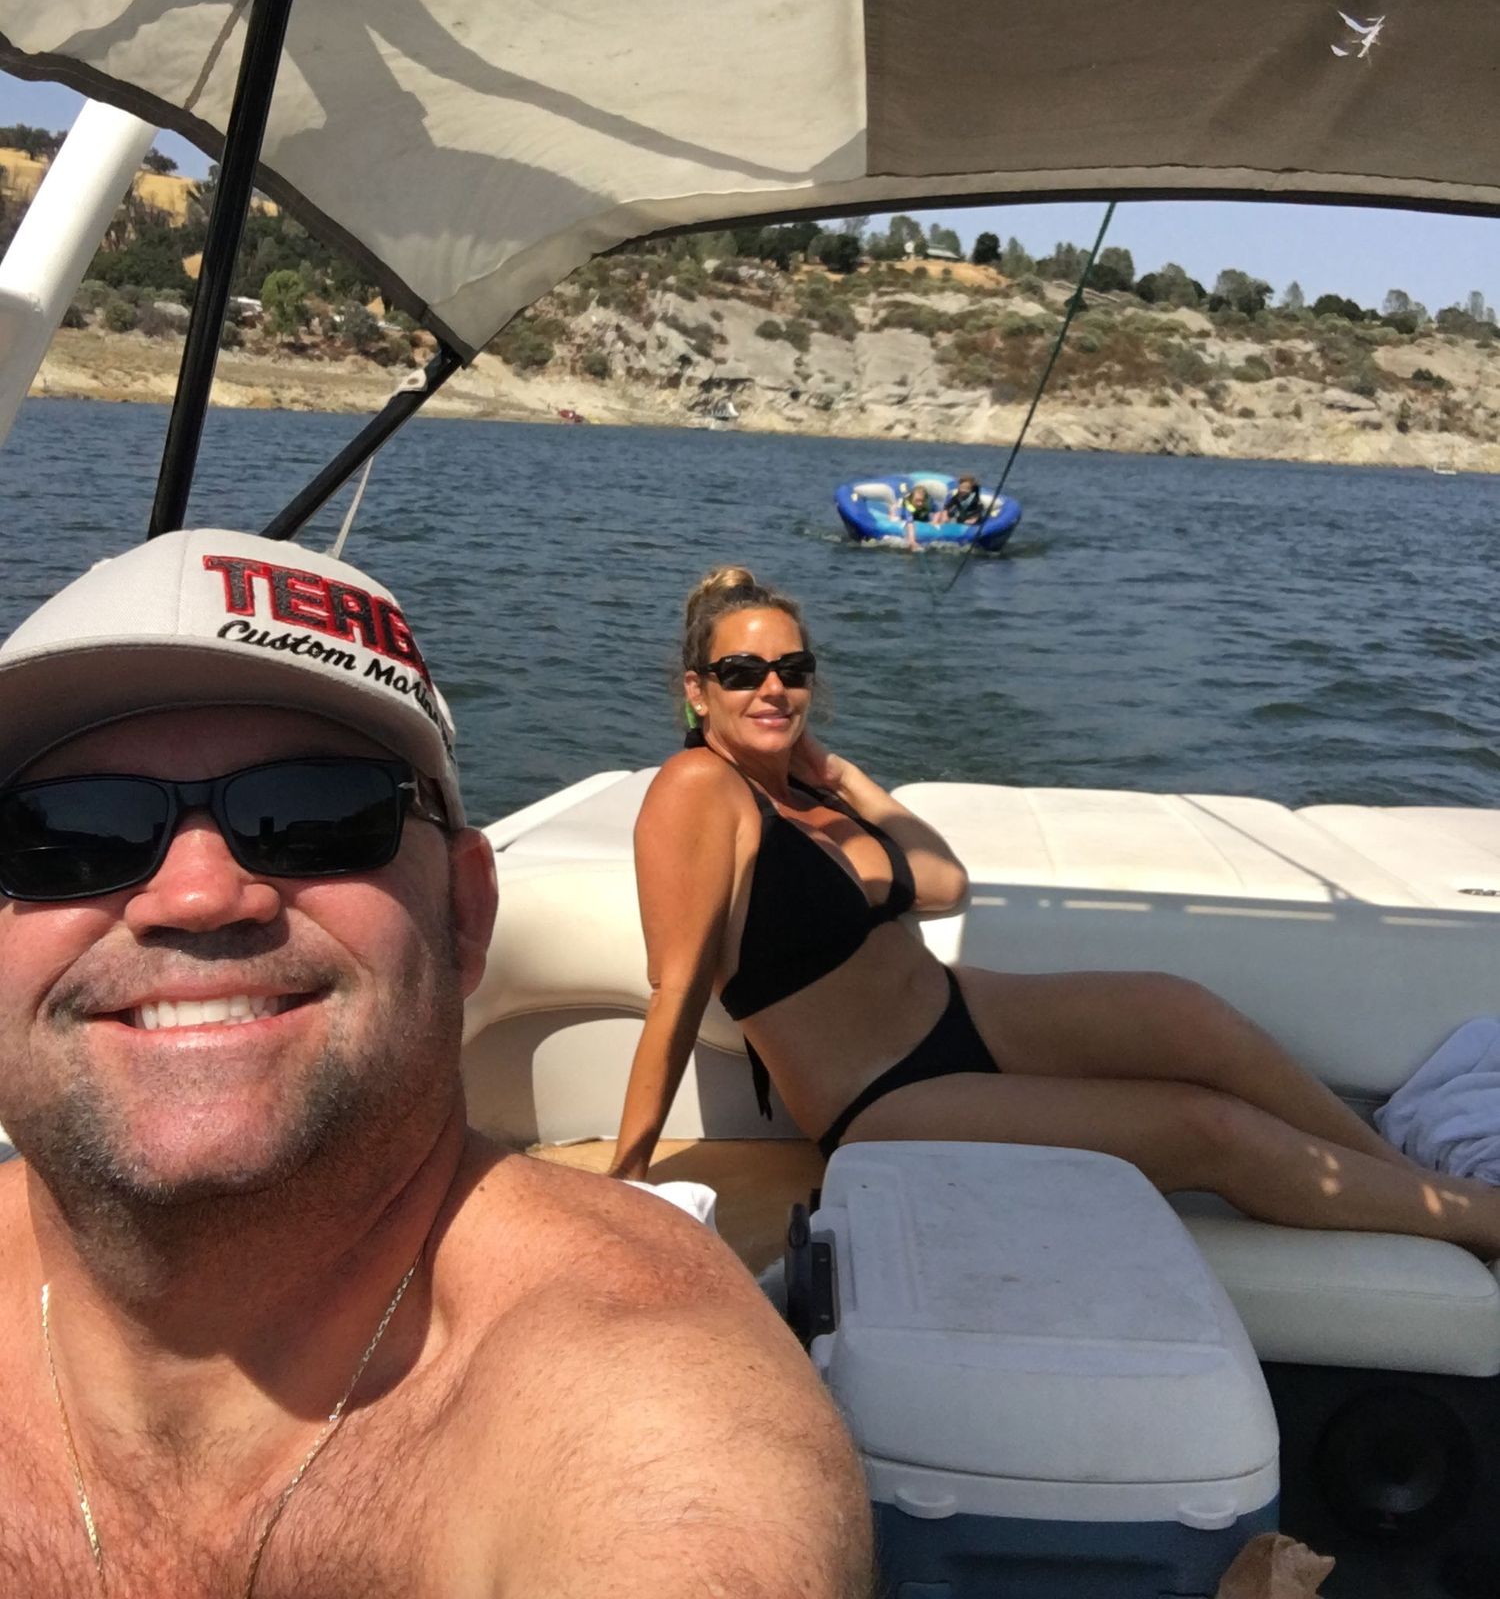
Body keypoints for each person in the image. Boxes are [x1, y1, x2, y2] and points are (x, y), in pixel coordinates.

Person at [0, 531, 870, 1598]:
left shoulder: (641, 1391)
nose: (196, 895)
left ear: (465, 911)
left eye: (314, 814)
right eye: (67, 833)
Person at [611, 564, 1500, 1261]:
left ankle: (1399, 1175)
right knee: (1207, 1129)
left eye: (792, 669)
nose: (773, 688)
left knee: (1184, 1014)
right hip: (885, 1096)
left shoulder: (809, 792)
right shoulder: (698, 788)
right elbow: (676, 993)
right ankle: (1480, 1221)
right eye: (743, 673)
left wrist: (839, 773)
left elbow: (944, 882)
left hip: (960, 1010)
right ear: (698, 690)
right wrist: (625, 1180)